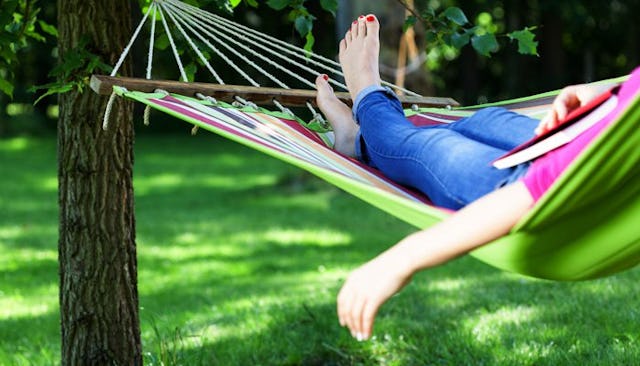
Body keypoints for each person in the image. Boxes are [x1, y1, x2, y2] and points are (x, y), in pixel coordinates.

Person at [313, 14, 640, 341]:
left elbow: (540, 188)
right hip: (584, 138)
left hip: (554, 189)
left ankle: (367, 94)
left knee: (421, 144)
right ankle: (356, 141)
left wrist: (403, 258)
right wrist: (610, 101)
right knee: (482, 121)